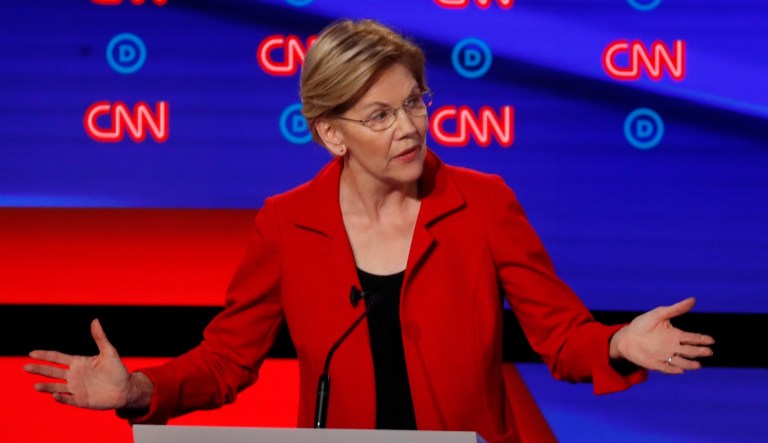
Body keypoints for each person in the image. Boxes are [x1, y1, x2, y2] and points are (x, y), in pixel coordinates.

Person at [24, 18, 714, 443]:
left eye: (414, 101)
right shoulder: (286, 223)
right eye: (379, 115)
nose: (410, 127)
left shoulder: (483, 202)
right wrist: (139, 388)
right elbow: (227, 361)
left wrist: (620, 341)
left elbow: (560, 336)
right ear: (331, 134)